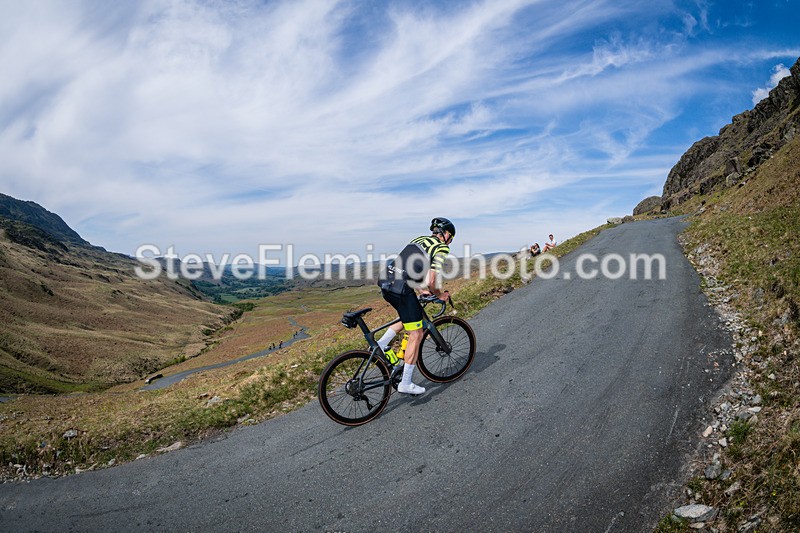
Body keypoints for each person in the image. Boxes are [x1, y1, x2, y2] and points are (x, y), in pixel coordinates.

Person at [376, 217, 454, 395]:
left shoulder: (419, 240)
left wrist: (419, 291)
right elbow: (432, 280)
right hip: (401, 288)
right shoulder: (441, 247)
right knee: (417, 333)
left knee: (411, 316)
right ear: (447, 234)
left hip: (386, 282)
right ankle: (406, 382)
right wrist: (439, 294)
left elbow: (406, 267)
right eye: (451, 237)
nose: (450, 241)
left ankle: (381, 343)